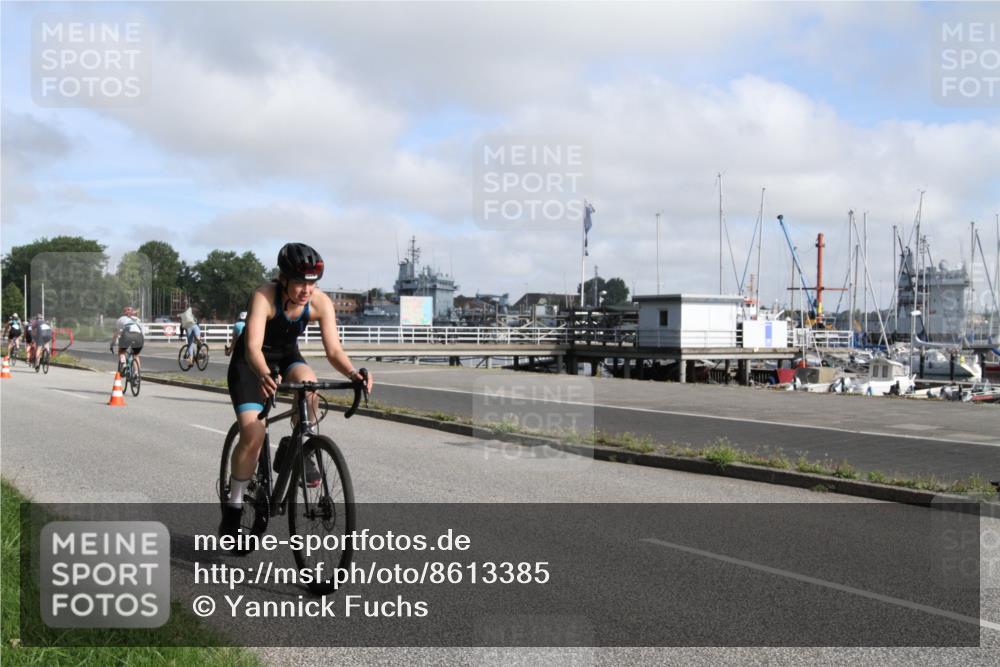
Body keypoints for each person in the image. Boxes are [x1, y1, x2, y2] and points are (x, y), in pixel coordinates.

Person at [221, 243, 374, 538]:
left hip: (287, 357)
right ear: (283, 278)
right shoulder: (264, 297)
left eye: (312, 283)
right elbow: (252, 348)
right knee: (253, 435)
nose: (307, 290)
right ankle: (235, 504)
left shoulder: (320, 303)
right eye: (301, 282)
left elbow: (333, 350)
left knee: (311, 387)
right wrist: (265, 374)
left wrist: (354, 374)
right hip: (251, 364)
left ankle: (295, 450)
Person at [113, 306, 144, 372]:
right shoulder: (137, 319)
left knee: (121, 351)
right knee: (136, 355)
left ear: (124, 313)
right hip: (139, 336)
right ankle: (137, 373)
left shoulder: (121, 319)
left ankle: (123, 364)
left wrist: (112, 342)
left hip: (128, 335)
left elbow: (116, 332)